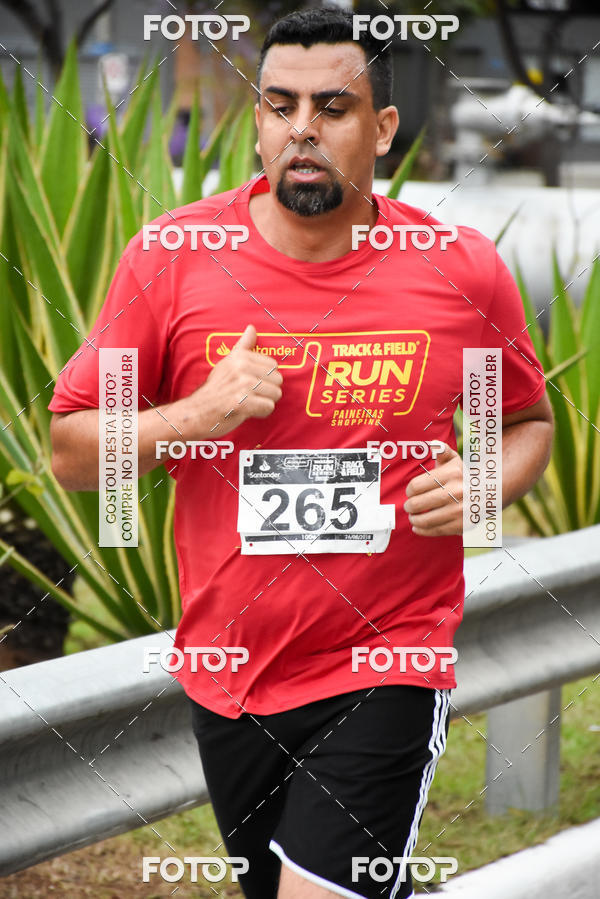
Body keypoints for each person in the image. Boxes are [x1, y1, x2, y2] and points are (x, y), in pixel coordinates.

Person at [49, 7, 554, 898]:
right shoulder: (174, 258)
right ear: (256, 123)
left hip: (388, 657)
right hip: (231, 671)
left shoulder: (459, 269)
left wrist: (482, 485)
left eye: (333, 107)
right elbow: (75, 451)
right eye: (279, 106)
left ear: (384, 129)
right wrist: (194, 413)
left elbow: (522, 423)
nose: (302, 131)